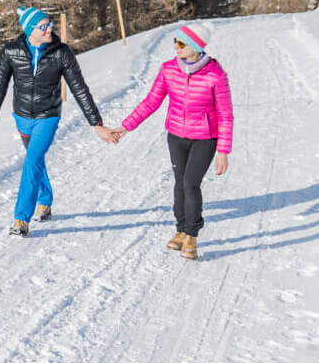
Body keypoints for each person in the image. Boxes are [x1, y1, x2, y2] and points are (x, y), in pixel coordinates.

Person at [97, 22, 233, 261]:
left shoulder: (215, 74)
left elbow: (225, 114)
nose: (176, 47)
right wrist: (125, 127)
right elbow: (151, 102)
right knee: (179, 182)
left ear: (196, 46)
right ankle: (180, 229)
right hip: (176, 136)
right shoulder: (168, 69)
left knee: (191, 183)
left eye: (182, 43)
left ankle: (191, 235)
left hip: (205, 137)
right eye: (175, 42)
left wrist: (223, 151)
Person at [0, 6, 105, 237]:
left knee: (32, 160)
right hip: (21, 117)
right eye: (43, 26)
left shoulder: (61, 52)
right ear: (30, 30)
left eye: (49, 24)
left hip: (48, 116)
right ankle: (45, 200)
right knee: (35, 160)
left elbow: (79, 89)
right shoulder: (10, 51)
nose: (50, 28)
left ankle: (21, 219)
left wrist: (96, 123)